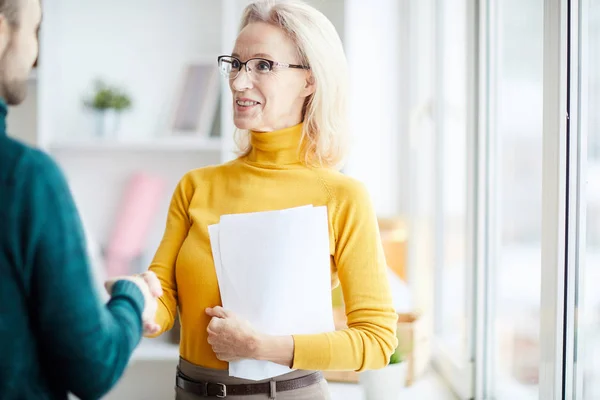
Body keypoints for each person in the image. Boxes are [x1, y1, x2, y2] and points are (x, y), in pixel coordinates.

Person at [143, 0, 398, 398]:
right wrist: (140, 305)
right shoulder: (196, 186)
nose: (239, 82)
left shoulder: (341, 197)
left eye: (263, 65)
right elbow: (164, 296)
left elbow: (378, 340)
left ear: (310, 80)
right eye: (236, 63)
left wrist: (262, 348)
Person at [0, 0, 162, 398]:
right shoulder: (25, 178)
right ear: (2, 33)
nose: (33, 53)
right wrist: (131, 297)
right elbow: (93, 366)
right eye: (32, 32)